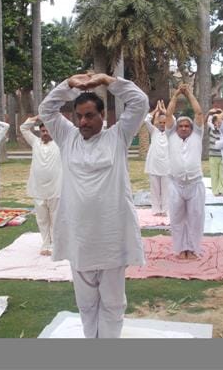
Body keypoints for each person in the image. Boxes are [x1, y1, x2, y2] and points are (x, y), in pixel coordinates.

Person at [39, 72, 147, 338]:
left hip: (112, 237)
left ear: (103, 115)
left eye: (89, 115)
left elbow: (140, 102)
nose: (83, 122)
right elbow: (46, 109)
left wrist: (107, 80)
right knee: (86, 303)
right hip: (79, 238)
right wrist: (69, 85)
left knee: (112, 303)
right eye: (79, 116)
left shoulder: (118, 136)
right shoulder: (67, 137)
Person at [165, 84, 206, 260]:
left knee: (195, 218)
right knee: (177, 218)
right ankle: (181, 249)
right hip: (176, 184)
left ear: (191, 128)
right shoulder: (171, 135)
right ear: (176, 128)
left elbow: (199, 113)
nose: (183, 128)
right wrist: (175, 96)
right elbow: (168, 115)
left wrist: (188, 94)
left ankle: (193, 248)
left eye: (186, 126)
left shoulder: (197, 135)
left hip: (195, 184)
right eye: (180, 126)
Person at [20, 116, 62, 256]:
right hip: (38, 189)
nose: (45, 133)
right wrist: (36, 118)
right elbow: (23, 128)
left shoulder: (59, 143)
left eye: (47, 131)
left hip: (56, 188)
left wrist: (52, 118)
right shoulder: (35, 142)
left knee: (55, 219)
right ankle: (45, 244)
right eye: (43, 131)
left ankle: (55, 245)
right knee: (42, 219)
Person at [144, 100, 171, 216]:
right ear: (158, 123)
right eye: (160, 122)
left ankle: (165, 210)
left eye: (164, 122)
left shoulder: (170, 132)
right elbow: (146, 120)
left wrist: (165, 111)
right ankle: (156, 210)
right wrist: (155, 110)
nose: (162, 124)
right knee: (154, 190)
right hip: (153, 165)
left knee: (166, 190)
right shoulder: (154, 131)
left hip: (166, 166)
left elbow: (174, 121)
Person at [207, 109, 223, 197]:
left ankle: (221, 190)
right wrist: (212, 112)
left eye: (220, 121)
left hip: (222, 156)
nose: (218, 123)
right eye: (216, 121)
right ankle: (215, 191)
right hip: (213, 155)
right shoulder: (211, 129)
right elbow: (208, 121)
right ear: (213, 122)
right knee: (214, 174)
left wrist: (222, 112)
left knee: (222, 174)